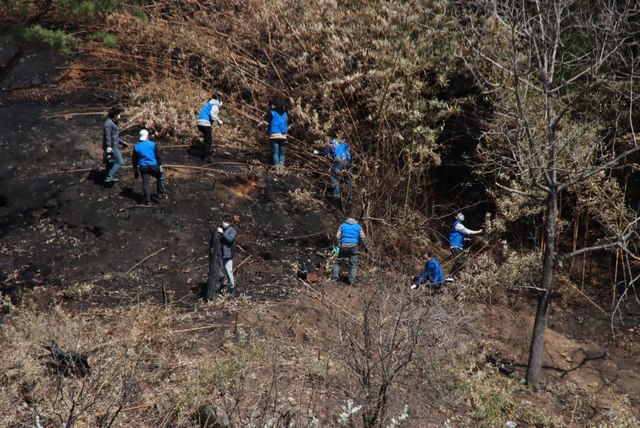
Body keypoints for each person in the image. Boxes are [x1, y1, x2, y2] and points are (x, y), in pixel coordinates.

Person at [332, 216, 368, 285]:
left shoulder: (342, 225)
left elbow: (337, 236)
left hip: (344, 246)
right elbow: (363, 237)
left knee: (338, 263)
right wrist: (365, 246)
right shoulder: (358, 226)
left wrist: (337, 245)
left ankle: (335, 279)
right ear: (355, 220)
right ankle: (351, 282)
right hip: (354, 247)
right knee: (353, 265)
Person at [132, 129, 165, 204]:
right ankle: (160, 193)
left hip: (143, 167)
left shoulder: (137, 147)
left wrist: (135, 170)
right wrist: (160, 166)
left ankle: (147, 200)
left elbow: (134, 160)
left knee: (146, 183)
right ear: (147, 136)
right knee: (159, 176)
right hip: (153, 166)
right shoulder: (153, 144)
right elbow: (158, 156)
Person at [315, 134, 352, 199]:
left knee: (334, 172)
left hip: (339, 160)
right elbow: (349, 147)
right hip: (348, 161)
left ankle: (336, 193)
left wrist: (317, 152)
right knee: (347, 176)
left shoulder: (330, 144)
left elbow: (325, 153)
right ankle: (349, 196)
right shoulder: (342, 142)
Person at [449, 212, 482, 278]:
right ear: (456, 217)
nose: (462, 216)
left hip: (459, 245)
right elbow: (467, 231)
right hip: (455, 245)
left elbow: (457, 235)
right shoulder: (457, 224)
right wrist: (479, 231)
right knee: (460, 260)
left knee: (462, 260)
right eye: (460, 215)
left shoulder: (459, 225)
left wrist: (464, 239)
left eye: (462, 214)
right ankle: (451, 275)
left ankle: (456, 276)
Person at [103, 107, 128, 183]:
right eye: (118, 114)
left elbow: (115, 136)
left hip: (113, 145)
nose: (119, 116)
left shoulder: (114, 123)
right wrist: (108, 147)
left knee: (111, 162)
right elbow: (108, 137)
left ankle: (107, 176)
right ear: (114, 115)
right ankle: (109, 176)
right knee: (120, 161)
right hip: (111, 146)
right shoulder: (108, 123)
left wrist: (122, 142)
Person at [196, 93, 223, 163]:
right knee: (209, 140)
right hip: (205, 122)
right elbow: (212, 115)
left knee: (206, 138)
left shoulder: (208, 104)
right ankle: (206, 157)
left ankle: (205, 152)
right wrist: (219, 121)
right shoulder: (215, 105)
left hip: (199, 122)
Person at [265, 100, 289, 175]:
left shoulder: (271, 113)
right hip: (283, 135)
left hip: (274, 135)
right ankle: (281, 170)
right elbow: (288, 124)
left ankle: (277, 170)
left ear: (272, 105)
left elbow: (266, 122)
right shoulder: (285, 113)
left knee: (275, 153)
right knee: (281, 153)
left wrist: (259, 125)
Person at [217, 215, 237, 296]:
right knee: (219, 272)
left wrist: (222, 233)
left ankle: (232, 289)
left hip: (228, 254)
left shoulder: (232, 230)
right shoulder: (220, 228)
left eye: (227, 222)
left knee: (228, 271)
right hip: (220, 254)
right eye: (224, 221)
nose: (225, 223)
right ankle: (221, 288)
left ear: (230, 223)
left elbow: (230, 239)